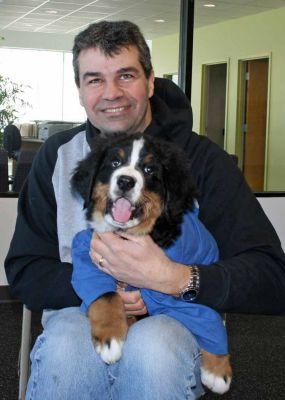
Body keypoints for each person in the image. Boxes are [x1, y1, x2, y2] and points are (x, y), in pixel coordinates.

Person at [4, 20, 285, 400]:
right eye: (94, 80)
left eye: (125, 75)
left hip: (175, 315)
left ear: (151, 82)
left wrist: (177, 279)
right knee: (67, 348)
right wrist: (109, 293)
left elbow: (270, 276)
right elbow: (26, 269)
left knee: (154, 350)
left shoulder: (202, 159)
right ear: (80, 90)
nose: (111, 93)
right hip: (80, 308)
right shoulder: (57, 157)